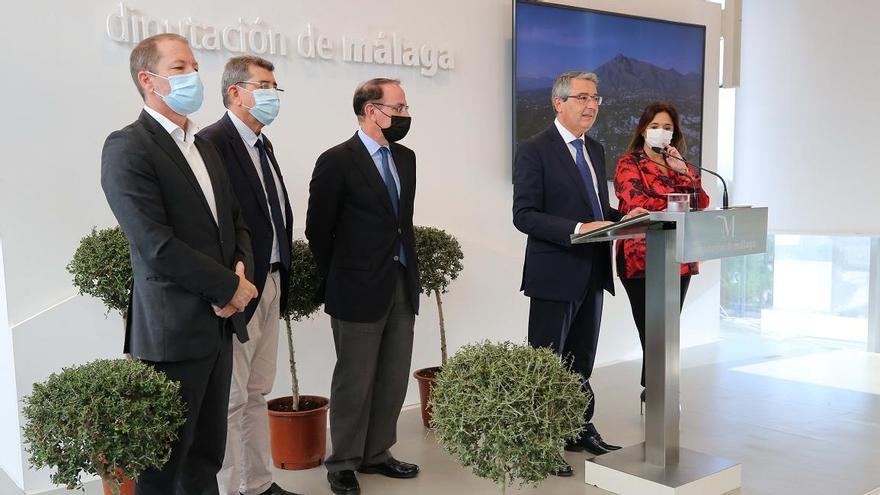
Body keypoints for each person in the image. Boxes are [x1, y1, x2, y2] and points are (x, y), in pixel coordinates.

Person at [100, 33, 258, 494]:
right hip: (172, 333)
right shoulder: (127, 147)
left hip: (219, 329)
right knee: (163, 466)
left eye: (194, 66)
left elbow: (235, 221)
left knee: (207, 456)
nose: (194, 76)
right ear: (148, 80)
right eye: (180, 68)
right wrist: (228, 289)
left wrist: (241, 273)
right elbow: (155, 244)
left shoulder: (204, 145)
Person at [512, 71, 647, 474]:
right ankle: (543, 442)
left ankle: (578, 428)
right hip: (554, 273)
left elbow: (594, 210)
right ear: (559, 102)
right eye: (583, 98)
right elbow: (524, 215)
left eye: (596, 99)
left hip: (593, 271)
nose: (592, 106)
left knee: (580, 361)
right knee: (547, 363)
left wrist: (625, 217)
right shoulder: (533, 150)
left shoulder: (596, 149)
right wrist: (575, 230)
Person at [305, 78, 421, 495]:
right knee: (354, 378)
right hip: (355, 287)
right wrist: (345, 272)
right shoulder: (337, 160)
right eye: (399, 106)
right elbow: (318, 229)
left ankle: (377, 453)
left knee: (393, 374)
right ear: (373, 110)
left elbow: (399, 222)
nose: (406, 114)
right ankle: (343, 462)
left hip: (401, 282)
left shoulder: (405, 157)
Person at [198, 55, 299, 495]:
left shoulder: (262, 142)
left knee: (258, 391)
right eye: (264, 85)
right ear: (234, 92)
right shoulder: (211, 143)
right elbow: (211, 222)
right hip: (240, 288)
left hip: (272, 279)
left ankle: (258, 483)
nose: (273, 95)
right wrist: (229, 283)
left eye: (276, 86)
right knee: (232, 399)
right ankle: (230, 488)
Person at [613, 101, 710, 412]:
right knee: (650, 327)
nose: (661, 132)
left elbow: (702, 201)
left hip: (679, 256)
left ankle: (656, 388)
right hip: (640, 257)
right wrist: (678, 199)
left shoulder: (679, 165)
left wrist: (684, 174)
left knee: (668, 327)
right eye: (655, 126)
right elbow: (637, 200)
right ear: (644, 129)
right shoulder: (629, 163)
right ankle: (658, 388)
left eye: (667, 128)